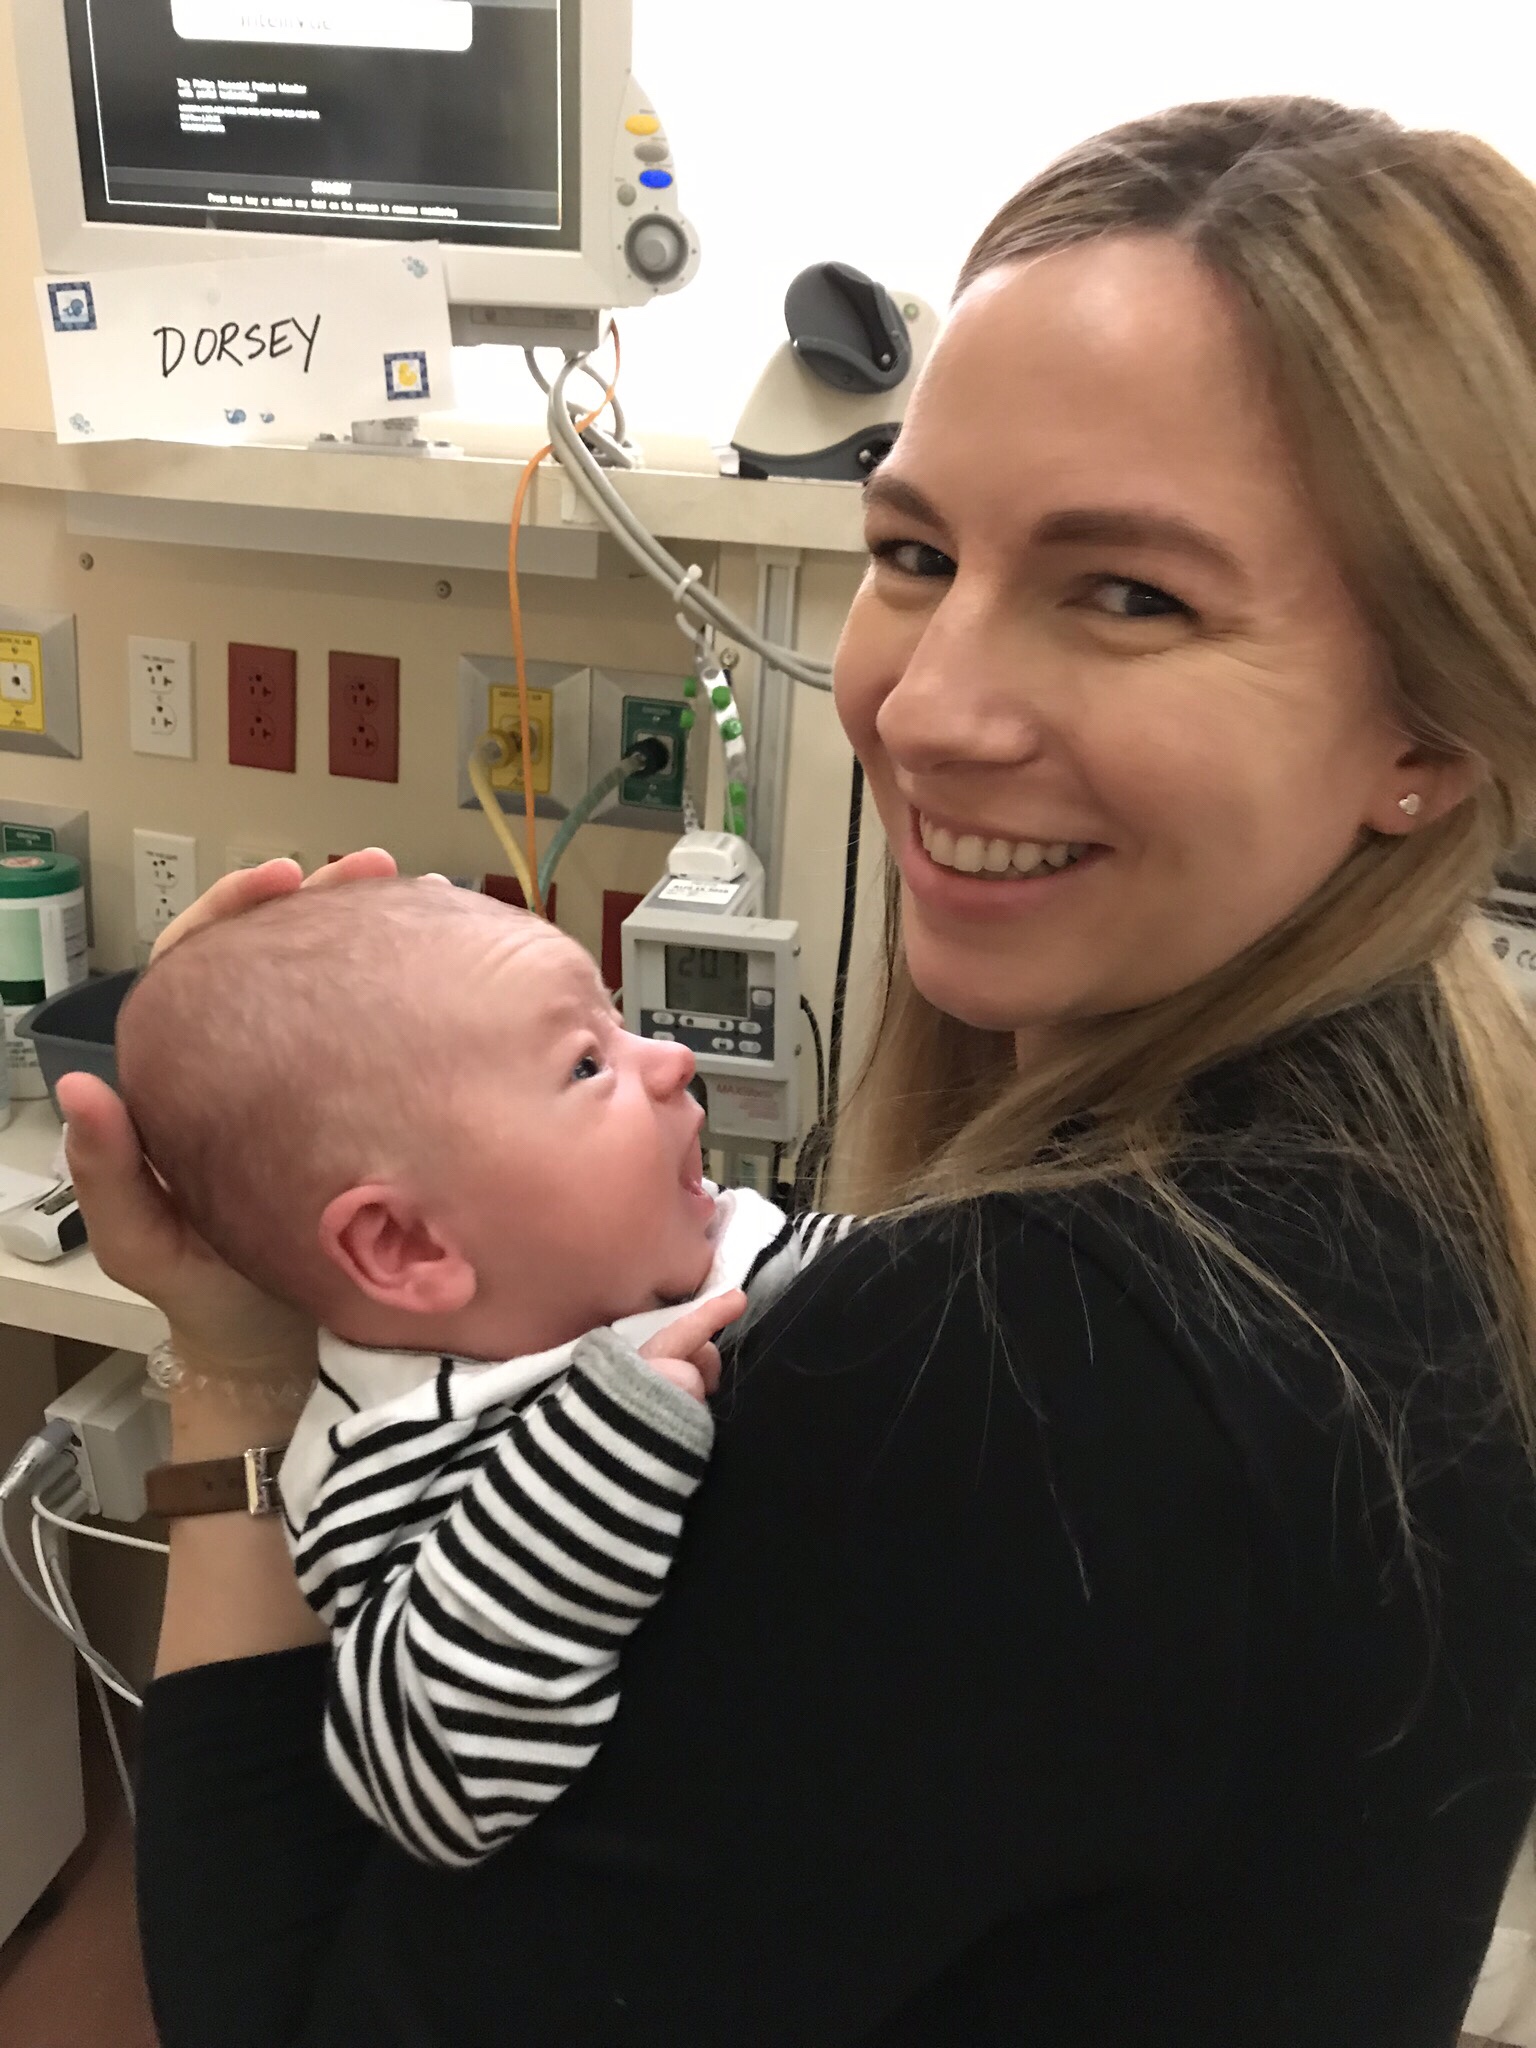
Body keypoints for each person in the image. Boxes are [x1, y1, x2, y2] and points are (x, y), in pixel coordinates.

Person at [61, 94, 1536, 2045]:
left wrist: (241, 1370)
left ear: (1427, 731)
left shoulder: (1028, 1374)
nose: (924, 704)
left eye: (1131, 593)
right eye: (911, 548)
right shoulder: (1425, 1149)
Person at [115, 881, 821, 1868]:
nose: (671, 1058)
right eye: (587, 1063)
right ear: (404, 1243)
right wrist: (599, 1453)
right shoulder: (395, 1457)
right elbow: (435, 1777)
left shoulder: (708, 1241)